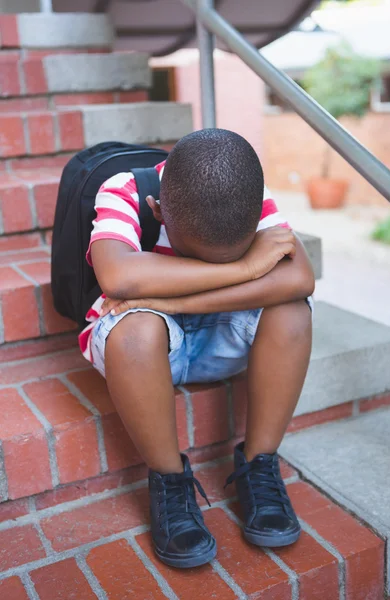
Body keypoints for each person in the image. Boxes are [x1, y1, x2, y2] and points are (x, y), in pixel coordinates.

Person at [79, 128, 315, 569]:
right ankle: (169, 481)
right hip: (146, 349)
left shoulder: (243, 192)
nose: (216, 265)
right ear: (158, 211)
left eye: (234, 255)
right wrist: (247, 267)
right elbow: (118, 278)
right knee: (136, 330)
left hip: (220, 336)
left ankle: (259, 462)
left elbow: (300, 278)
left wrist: (173, 296)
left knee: (292, 309)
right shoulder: (126, 190)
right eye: (199, 256)